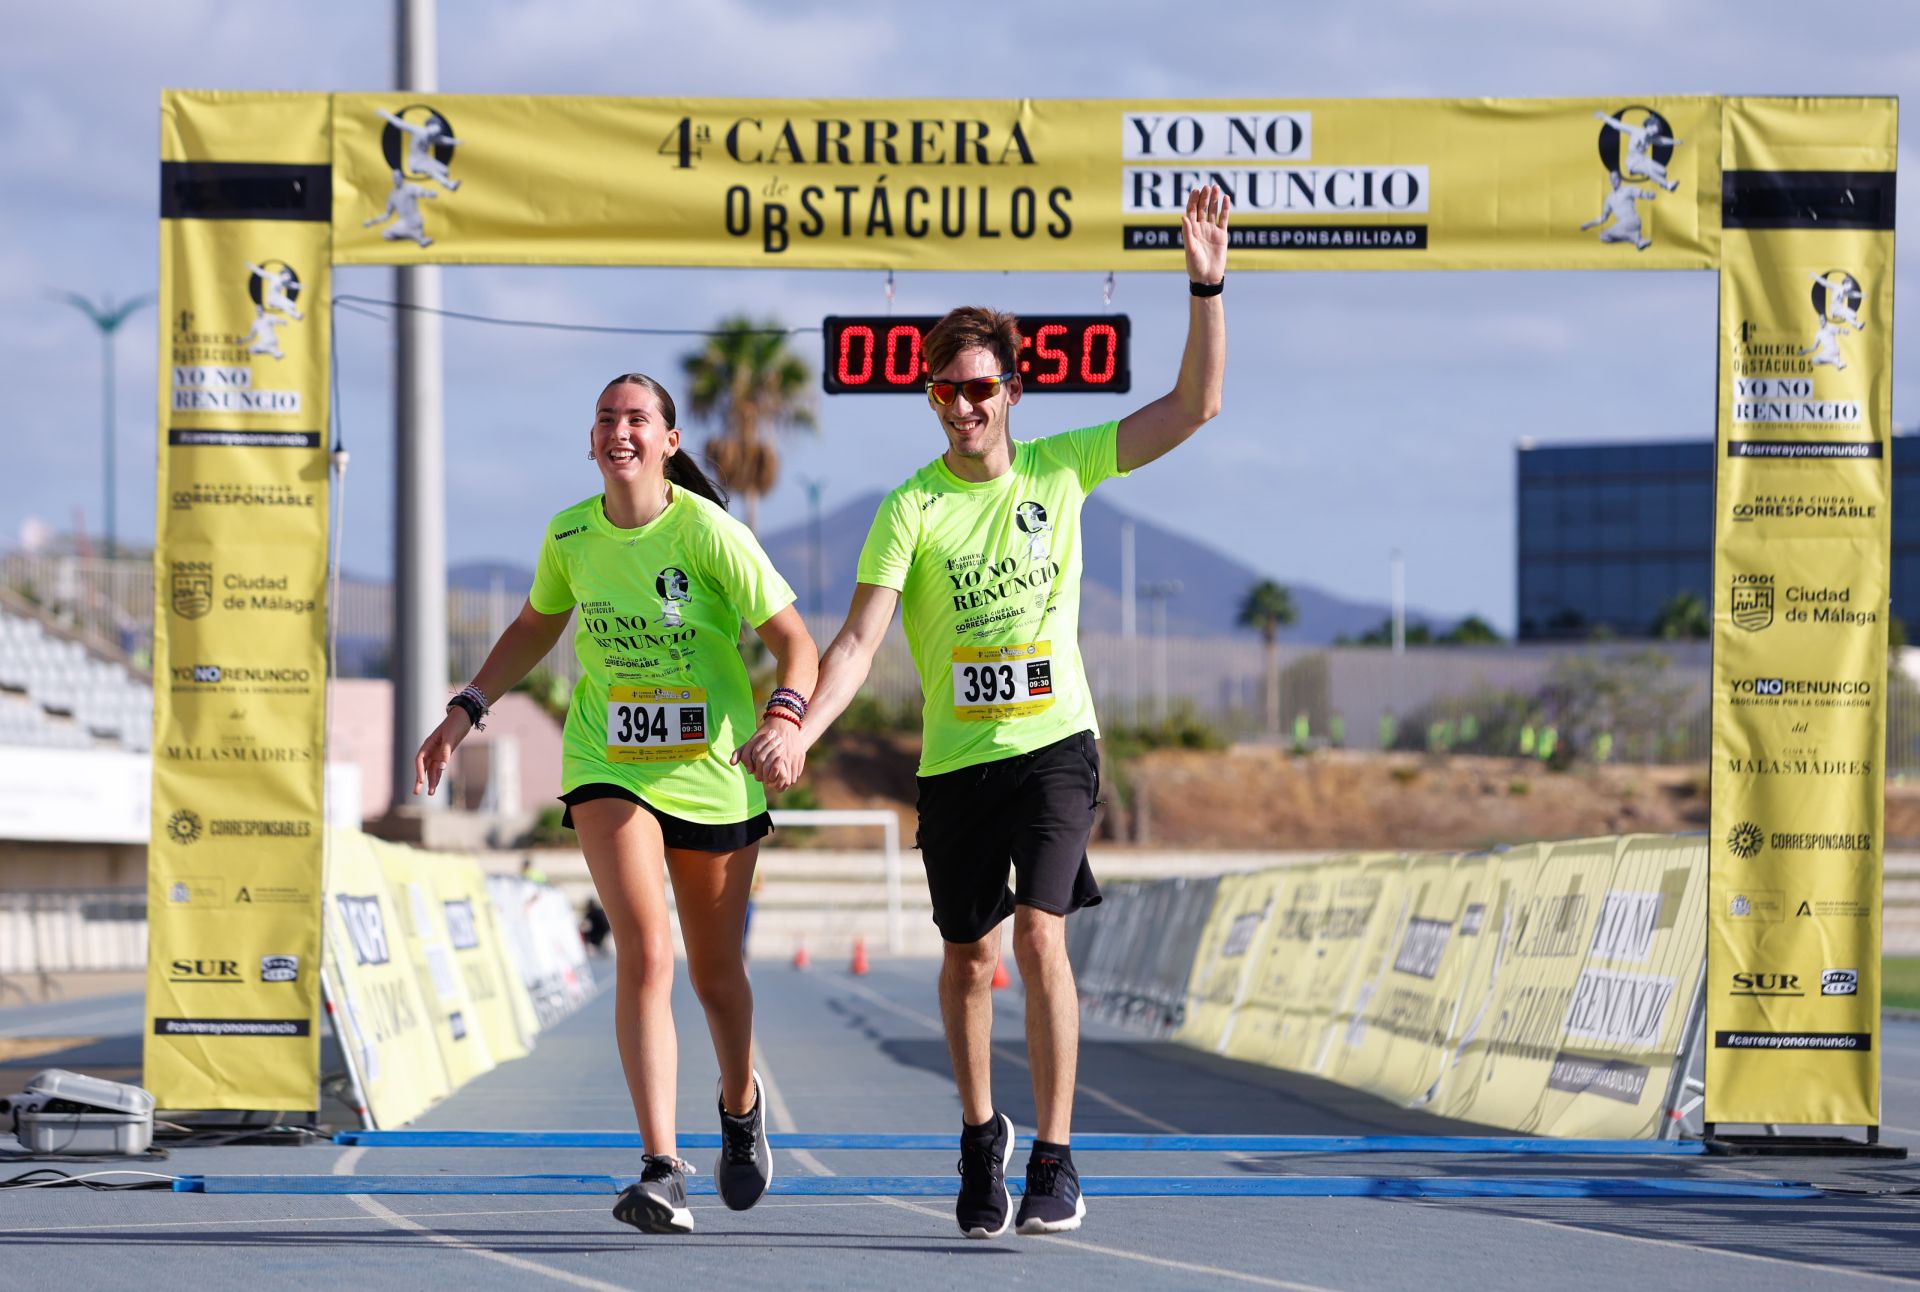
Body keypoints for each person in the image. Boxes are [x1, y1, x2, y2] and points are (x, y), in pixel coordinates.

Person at [757, 183, 1229, 1238]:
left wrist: (1205, 282)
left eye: (978, 388)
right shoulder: (910, 507)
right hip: (957, 763)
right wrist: (795, 723)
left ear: (1012, 390)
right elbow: (858, 642)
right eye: (945, 392)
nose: (963, 406)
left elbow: (1194, 406)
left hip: (1056, 745)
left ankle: (1056, 1157)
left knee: (1039, 936)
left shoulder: (1065, 469)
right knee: (968, 957)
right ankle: (981, 1134)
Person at [414, 372, 817, 1235]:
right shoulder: (570, 534)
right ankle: (663, 1168)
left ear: (669, 441)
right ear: (591, 441)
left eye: (637, 418)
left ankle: (740, 1107)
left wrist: (785, 719)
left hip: (714, 768)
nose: (619, 430)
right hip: (610, 759)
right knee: (646, 950)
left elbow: (797, 643)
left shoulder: (710, 532)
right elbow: (534, 624)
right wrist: (465, 709)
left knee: (716, 976)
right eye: (605, 418)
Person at [1581, 171, 1657, 251]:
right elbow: (1603, 218)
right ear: (1610, 181)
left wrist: (1650, 195)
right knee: (1603, 237)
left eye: (1616, 178)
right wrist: (1588, 225)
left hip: (1632, 220)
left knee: (1604, 235)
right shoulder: (1609, 198)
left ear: (1620, 179)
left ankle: (1636, 238)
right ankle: (1637, 239)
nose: (1614, 181)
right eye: (1612, 179)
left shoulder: (1628, 190)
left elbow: (1643, 194)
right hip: (1622, 225)